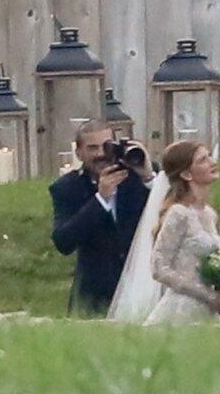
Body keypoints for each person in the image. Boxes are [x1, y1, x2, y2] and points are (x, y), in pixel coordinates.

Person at [109, 140, 220, 325]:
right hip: (181, 308)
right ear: (186, 174)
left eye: (209, 156)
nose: (212, 162)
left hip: (208, 309)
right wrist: (203, 294)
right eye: (203, 160)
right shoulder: (179, 213)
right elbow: (159, 267)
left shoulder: (210, 214)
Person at [49, 119, 156, 317]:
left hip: (141, 286)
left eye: (106, 146)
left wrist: (149, 179)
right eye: (92, 148)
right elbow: (63, 242)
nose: (100, 154)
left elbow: (171, 212)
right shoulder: (67, 187)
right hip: (96, 295)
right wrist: (101, 200)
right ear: (79, 153)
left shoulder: (138, 174)